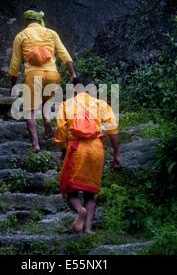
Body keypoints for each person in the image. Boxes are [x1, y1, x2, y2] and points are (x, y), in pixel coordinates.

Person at [55, 76, 121, 235]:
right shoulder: (101, 104)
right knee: (90, 192)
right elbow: (112, 130)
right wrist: (117, 154)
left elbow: (61, 131)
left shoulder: (66, 105)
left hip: (77, 149)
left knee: (70, 191)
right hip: (96, 148)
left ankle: (80, 211)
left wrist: (64, 151)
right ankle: (88, 229)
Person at [9, 6, 77, 152]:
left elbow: (15, 64)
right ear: (40, 19)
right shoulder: (51, 33)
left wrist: (13, 85)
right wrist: (73, 74)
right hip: (52, 74)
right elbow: (64, 54)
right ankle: (47, 120)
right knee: (47, 102)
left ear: (27, 19)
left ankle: (35, 144)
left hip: (33, 74)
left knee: (30, 111)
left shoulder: (21, 35)